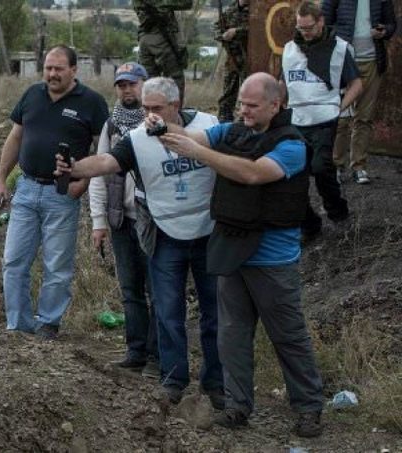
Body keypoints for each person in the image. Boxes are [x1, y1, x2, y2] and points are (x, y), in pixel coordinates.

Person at [157, 72, 325, 438]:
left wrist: (199, 153)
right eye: (241, 104)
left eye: (251, 105)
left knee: (288, 337)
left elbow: (252, 174)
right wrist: (162, 126)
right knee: (231, 337)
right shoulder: (231, 132)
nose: (244, 110)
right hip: (233, 251)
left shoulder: (292, 145)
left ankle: (309, 408)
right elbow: (189, 137)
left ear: (274, 105)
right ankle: (237, 407)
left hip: (273, 260)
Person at [55, 77, 223, 407]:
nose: (150, 116)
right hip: (165, 233)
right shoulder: (137, 138)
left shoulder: (209, 126)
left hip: (208, 231)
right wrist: (75, 167)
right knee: (167, 310)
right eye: (146, 108)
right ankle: (173, 379)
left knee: (214, 312)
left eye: (157, 108)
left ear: (177, 104)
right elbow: (107, 162)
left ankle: (215, 383)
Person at [0, 45, 109, 340]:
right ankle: (17, 325)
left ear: (73, 70)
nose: (52, 74)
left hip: (62, 194)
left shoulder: (92, 103)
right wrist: (1, 179)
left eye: (58, 68)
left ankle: (48, 323)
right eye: (48, 68)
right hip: (27, 189)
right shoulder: (32, 95)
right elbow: (15, 137)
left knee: (57, 264)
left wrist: (81, 184)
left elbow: (102, 150)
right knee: (14, 260)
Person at [88, 62, 159, 377]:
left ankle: (159, 356)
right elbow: (98, 173)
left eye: (132, 83)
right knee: (130, 290)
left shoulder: (156, 122)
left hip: (153, 221)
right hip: (120, 220)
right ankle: (136, 351)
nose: (127, 90)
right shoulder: (111, 126)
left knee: (158, 291)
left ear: (144, 84)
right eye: (121, 85)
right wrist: (98, 221)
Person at [281, 0, 363, 240]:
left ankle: (338, 215)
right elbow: (282, 83)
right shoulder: (289, 49)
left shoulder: (339, 48)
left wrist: (339, 107)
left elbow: (356, 84)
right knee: (294, 176)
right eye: (300, 28)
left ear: (321, 22)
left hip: (324, 119)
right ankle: (309, 224)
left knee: (321, 168)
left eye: (309, 28)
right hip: (295, 120)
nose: (304, 33)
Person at [323, 0, 398, 184]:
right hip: (344, 62)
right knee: (341, 117)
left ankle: (359, 167)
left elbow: (391, 24)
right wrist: (338, 42)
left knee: (364, 118)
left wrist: (384, 31)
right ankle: (336, 166)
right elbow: (325, 21)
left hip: (372, 62)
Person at [132, 0, 193, 104]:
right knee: (175, 77)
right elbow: (186, 3)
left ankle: (150, 111)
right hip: (160, 38)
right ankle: (175, 113)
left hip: (145, 37)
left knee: (149, 80)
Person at [216, 0, 249, 122]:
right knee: (228, 92)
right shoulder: (230, 10)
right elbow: (217, 27)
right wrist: (222, 36)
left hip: (249, 58)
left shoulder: (256, 11)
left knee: (248, 90)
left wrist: (237, 32)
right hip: (232, 58)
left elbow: (258, 29)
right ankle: (224, 120)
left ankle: (244, 120)